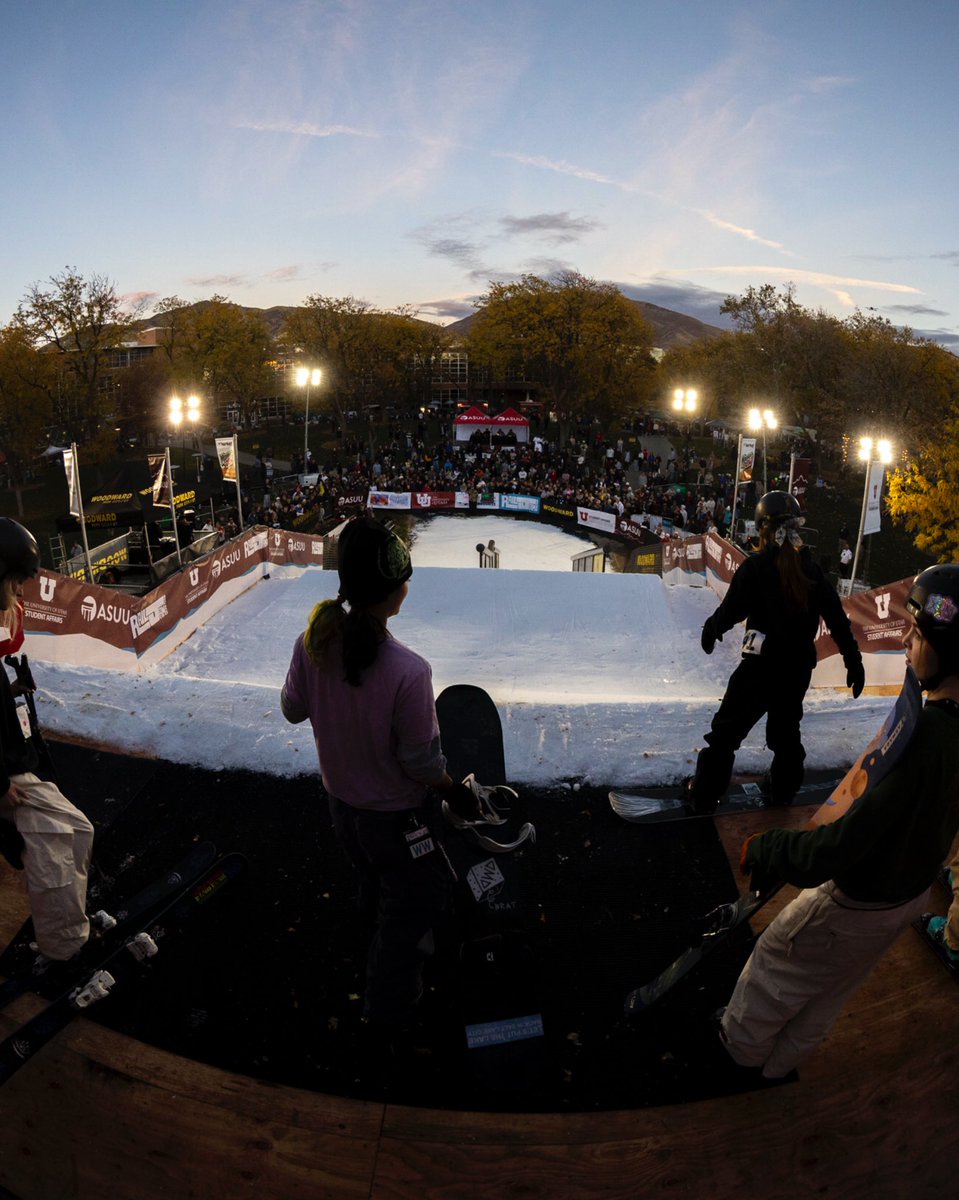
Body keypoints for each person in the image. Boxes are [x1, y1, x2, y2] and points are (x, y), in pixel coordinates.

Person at [719, 563, 959, 1078]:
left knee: (776, 965)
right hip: (909, 895)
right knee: (834, 989)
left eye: (919, 635)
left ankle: (736, 1058)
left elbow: (841, 844)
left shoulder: (927, 737)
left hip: (859, 898)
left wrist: (772, 849)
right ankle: (780, 1066)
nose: (908, 646)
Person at [280, 515, 492, 1044]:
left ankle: (367, 927)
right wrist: (453, 791)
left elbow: (291, 709)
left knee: (371, 877)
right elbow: (420, 764)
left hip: (341, 807)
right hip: (396, 819)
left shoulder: (313, 642)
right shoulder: (408, 670)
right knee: (419, 899)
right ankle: (388, 1010)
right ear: (393, 590)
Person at [685, 491, 865, 814]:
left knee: (726, 731)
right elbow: (838, 620)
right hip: (795, 669)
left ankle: (705, 791)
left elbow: (731, 609)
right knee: (785, 733)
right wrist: (853, 661)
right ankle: (784, 788)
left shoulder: (758, 567)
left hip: (759, 666)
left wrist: (711, 630)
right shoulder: (812, 572)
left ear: (762, 529)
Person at [0, 519, 94, 969]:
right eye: (15, 581)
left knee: (79, 831)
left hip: (18, 756)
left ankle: (68, 929)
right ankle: (63, 950)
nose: (20, 593)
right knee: (56, 843)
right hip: (6, 774)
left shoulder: (6, 622)